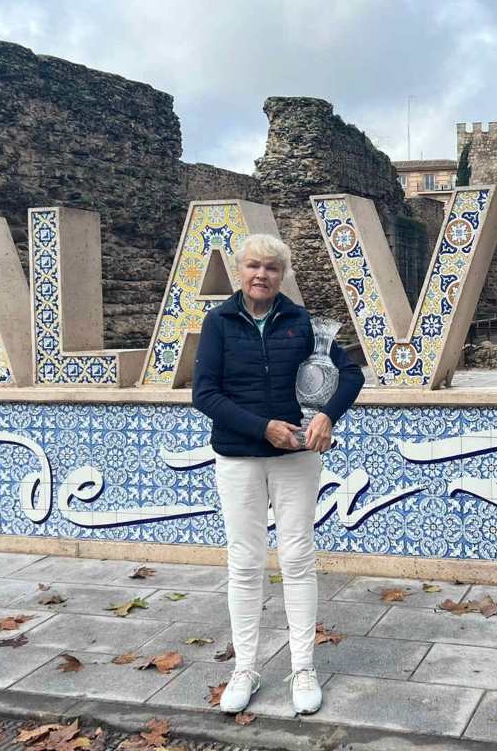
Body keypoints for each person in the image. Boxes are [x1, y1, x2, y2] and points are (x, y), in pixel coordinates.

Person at [191, 234, 364, 715]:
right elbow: (204, 394)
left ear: (283, 274)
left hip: (296, 460)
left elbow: (350, 374)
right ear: (239, 271)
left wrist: (328, 414)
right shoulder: (219, 323)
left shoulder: (303, 323)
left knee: (297, 559)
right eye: (252, 266)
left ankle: (303, 667)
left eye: (271, 267)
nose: (261, 275)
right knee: (245, 563)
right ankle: (244, 667)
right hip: (239, 458)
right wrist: (261, 428)